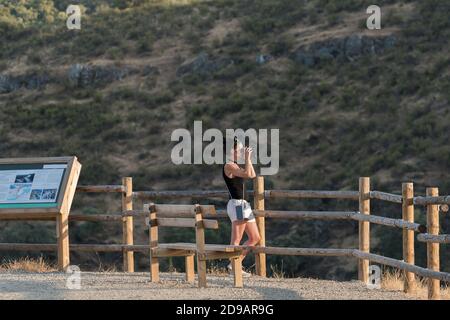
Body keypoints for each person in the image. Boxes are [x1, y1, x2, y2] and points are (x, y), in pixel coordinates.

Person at [223, 137, 261, 276]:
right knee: (236, 238)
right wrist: (247, 157)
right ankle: (234, 267)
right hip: (237, 205)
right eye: (238, 149)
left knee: (255, 238)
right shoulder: (229, 165)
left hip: (244, 205)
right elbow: (249, 175)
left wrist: (247, 159)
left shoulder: (236, 165)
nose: (240, 151)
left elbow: (252, 174)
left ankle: (235, 264)